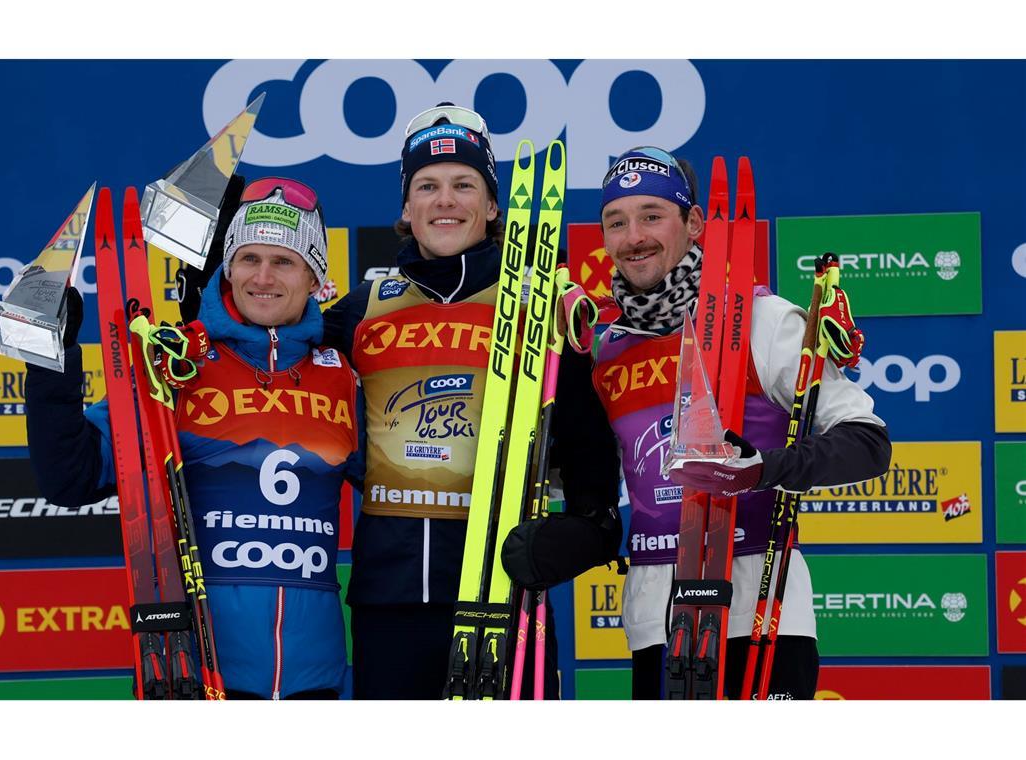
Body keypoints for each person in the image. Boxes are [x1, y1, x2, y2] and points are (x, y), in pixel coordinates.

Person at [502, 146, 891, 700]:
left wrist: (763, 470)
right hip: (653, 617)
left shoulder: (759, 318)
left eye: (652, 216)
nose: (634, 236)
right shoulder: (604, 348)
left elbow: (867, 442)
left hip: (759, 614)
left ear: (694, 223)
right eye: (617, 221)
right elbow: (592, 478)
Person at [322, 103, 621, 699]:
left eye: (464, 184)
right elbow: (283, 382)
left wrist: (584, 533)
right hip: (391, 598)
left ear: (490, 205)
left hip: (504, 586)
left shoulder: (542, 307)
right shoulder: (358, 311)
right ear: (406, 208)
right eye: (427, 187)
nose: (445, 200)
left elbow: (591, 462)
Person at [25, 177, 363, 699]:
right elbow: (74, 475)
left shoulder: (341, 376)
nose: (264, 277)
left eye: (285, 261)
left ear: (315, 275)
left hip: (315, 681)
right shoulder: (177, 364)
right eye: (249, 258)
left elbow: (399, 494)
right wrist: (52, 363)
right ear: (228, 268)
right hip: (195, 670)